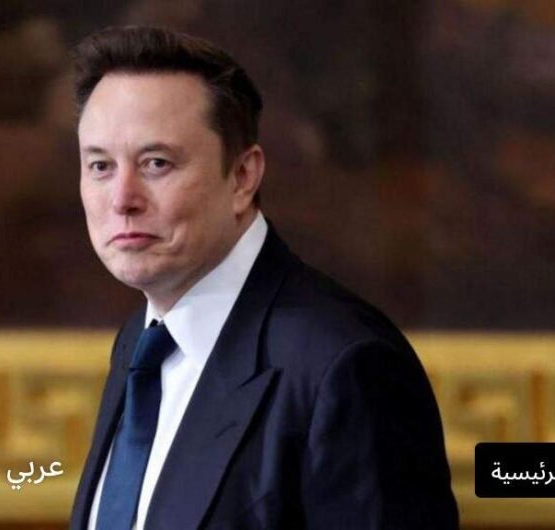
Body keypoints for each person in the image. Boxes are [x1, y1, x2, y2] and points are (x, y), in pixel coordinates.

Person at [68, 25, 458, 530]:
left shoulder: (347, 365)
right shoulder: (139, 344)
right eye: (100, 166)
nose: (122, 198)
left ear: (242, 177)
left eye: (156, 163)